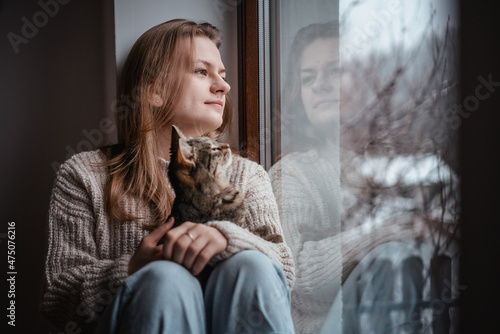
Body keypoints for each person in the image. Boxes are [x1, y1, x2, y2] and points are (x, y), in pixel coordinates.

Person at [41, 19, 295, 334]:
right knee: (166, 279)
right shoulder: (86, 174)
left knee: (252, 265)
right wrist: (133, 267)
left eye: (223, 75)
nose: (224, 86)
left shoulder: (246, 174)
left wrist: (226, 238)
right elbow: (57, 301)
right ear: (155, 90)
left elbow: (283, 268)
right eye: (202, 72)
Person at [269, 21, 459, 334]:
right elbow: (297, 277)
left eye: (335, 71)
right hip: (332, 327)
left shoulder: (416, 166)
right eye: (308, 77)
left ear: (368, 79)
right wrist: (382, 233)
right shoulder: (293, 174)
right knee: (391, 255)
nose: (320, 85)